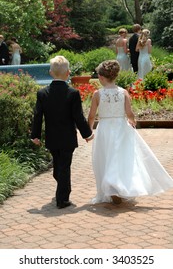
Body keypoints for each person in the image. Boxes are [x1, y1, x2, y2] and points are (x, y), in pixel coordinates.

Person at [88, 59, 173, 205]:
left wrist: (89, 130)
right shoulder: (123, 92)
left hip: (105, 129)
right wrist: (132, 122)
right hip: (121, 128)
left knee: (106, 156)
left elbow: (91, 115)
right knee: (120, 157)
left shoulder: (98, 94)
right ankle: (116, 184)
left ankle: (112, 185)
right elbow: (129, 113)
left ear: (101, 78)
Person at [31, 55, 93, 209]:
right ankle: (62, 197)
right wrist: (87, 134)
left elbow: (37, 116)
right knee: (63, 167)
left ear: (51, 72)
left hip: (51, 137)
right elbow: (78, 116)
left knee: (60, 166)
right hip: (67, 137)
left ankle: (62, 197)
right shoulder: (72, 93)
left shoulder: (42, 93)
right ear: (68, 73)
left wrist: (35, 135)